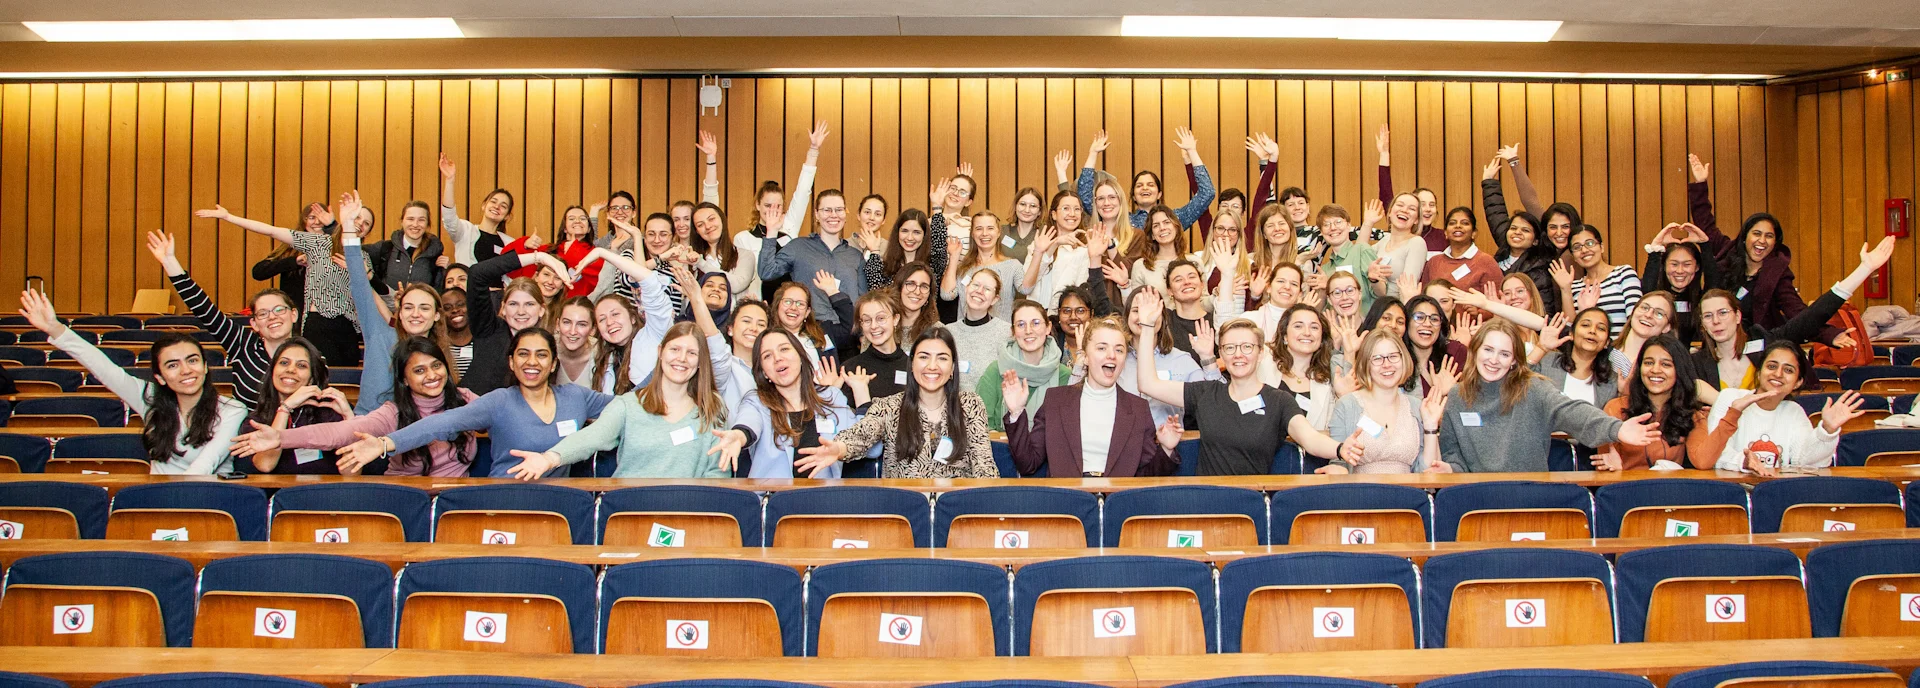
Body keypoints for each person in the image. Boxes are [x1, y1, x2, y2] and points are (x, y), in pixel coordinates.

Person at [505, 285, 734, 479]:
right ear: (660, 352)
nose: (681, 359)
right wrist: (549, 459)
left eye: (691, 353)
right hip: (631, 510)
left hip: (688, 511)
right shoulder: (629, 405)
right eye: (675, 349)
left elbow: (718, 472)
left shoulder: (713, 407)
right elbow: (592, 437)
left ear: (701, 362)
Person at [20, 289, 247, 474]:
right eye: (172, 365)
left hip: (207, 497)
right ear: (160, 377)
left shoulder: (232, 409)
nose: (186, 370)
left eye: (193, 360)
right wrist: (56, 329)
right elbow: (105, 369)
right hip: (158, 499)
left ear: (206, 367)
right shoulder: (150, 400)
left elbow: (204, 465)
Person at [339, 328, 615, 478]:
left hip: (561, 505)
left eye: (541, 355)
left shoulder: (577, 397)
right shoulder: (498, 401)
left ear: (554, 363)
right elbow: (441, 423)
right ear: (511, 362)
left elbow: (628, 404)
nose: (532, 362)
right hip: (503, 502)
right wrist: (385, 443)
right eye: (523, 354)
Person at [1130, 297, 1359, 476]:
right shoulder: (1204, 393)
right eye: (1230, 348)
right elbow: (1148, 384)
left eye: (1247, 347)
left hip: (1253, 500)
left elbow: (1310, 438)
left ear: (1261, 353)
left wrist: (1340, 449)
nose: (1238, 354)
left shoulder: (1279, 400)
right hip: (1209, 500)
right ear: (1222, 354)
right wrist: (1148, 326)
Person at [229, 337, 478, 477]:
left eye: (437, 366)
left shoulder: (467, 400)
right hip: (405, 500)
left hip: (453, 501)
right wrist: (281, 437)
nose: (432, 375)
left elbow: (499, 411)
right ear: (404, 379)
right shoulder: (392, 412)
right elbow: (337, 432)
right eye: (419, 370)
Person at [1437, 319, 1656, 472]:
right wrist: (1451, 469)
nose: (1493, 360)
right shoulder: (1458, 396)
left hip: (1529, 494)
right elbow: (1453, 452)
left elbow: (1572, 412)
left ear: (1514, 360)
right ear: (1475, 350)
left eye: (1504, 354)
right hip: (1478, 495)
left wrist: (1616, 429)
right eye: (1488, 350)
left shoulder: (1533, 388)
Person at [790, 327, 999, 478]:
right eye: (924, 357)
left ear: (952, 367)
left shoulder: (970, 405)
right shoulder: (888, 407)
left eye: (942, 358)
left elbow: (984, 465)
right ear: (912, 364)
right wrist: (839, 447)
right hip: (905, 512)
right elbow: (862, 433)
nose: (932, 366)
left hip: (955, 512)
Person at [1692, 237, 1895, 389]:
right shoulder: (1697, 363)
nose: (1716, 321)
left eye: (1723, 313)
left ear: (1737, 316)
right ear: (1702, 324)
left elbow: (1813, 316)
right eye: (1708, 316)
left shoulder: (1765, 341)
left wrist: (1864, 269)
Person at [1687, 154, 1846, 345]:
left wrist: (1829, 334)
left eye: (1769, 236)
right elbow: (1706, 225)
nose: (1762, 241)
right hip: (1719, 344)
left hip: (1759, 347)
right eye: (1756, 233)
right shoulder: (1728, 251)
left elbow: (1797, 312)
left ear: (1775, 243)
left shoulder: (1778, 273)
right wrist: (1700, 185)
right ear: (1745, 237)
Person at [194, 202, 370, 366]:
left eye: (366, 223)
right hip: (318, 323)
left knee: (346, 380)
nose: (360, 224)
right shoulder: (318, 243)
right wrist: (228, 217)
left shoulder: (365, 258)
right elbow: (270, 230)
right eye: (357, 218)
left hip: (349, 329)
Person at [1006, 316, 1181, 477]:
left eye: (1119, 350)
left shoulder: (1138, 408)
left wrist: (1166, 449)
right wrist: (1016, 412)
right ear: (1086, 357)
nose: (1111, 355)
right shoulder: (1055, 400)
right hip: (1068, 496)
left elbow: (1147, 477)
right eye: (1101, 348)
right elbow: (1028, 464)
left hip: (1117, 497)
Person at [146, 230, 294, 409]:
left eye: (279, 309)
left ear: (293, 315)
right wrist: (170, 262)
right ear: (254, 323)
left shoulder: (310, 352)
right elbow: (203, 308)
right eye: (263, 313)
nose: (272, 317)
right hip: (248, 426)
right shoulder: (242, 344)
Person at [340, 191, 448, 414]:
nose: (415, 314)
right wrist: (349, 227)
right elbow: (359, 282)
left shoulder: (439, 352)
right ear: (399, 311)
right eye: (408, 307)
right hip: (368, 426)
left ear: (437, 314)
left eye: (424, 308)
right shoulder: (379, 335)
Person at [711, 329, 857, 478]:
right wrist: (738, 436)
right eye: (767, 356)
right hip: (772, 492)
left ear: (800, 356)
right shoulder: (757, 402)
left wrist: (841, 449)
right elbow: (748, 424)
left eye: (784, 349)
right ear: (764, 372)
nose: (777, 358)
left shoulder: (831, 396)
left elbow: (863, 441)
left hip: (826, 491)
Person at [1707, 342, 1867, 475]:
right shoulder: (1730, 398)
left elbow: (1805, 462)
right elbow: (1712, 454)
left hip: (1777, 492)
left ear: (1797, 382)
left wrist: (1827, 430)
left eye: (1788, 370)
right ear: (1759, 373)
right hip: (1735, 491)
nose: (1778, 374)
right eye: (1771, 366)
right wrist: (1744, 462)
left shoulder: (1794, 411)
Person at [1591, 335, 1735, 471]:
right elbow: (1603, 465)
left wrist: (1733, 414)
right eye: (1648, 363)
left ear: (1679, 370)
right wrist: (1616, 471)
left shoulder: (1690, 413)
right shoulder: (1616, 408)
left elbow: (1702, 461)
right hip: (1625, 486)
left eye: (1666, 364)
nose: (1655, 370)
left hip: (1670, 487)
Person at [1322, 330, 1454, 474]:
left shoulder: (1417, 406)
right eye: (1377, 358)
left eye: (1393, 357)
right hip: (1362, 487)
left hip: (1408, 487)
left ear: (1404, 360)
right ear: (1366, 364)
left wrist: (1430, 426)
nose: (1386, 364)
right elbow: (1338, 464)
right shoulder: (1347, 405)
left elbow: (1428, 472)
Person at [458, 247, 580, 394]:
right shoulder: (488, 328)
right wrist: (539, 257)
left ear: (541, 310)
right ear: (503, 307)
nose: (521, 312)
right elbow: (477, 274)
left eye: (529, 304)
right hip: (473, 405)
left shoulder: (546, 341)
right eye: (513, 304)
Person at [736, 124, 826, 301]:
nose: (773, 210)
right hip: (759, 302)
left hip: (790, 303)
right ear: (757, 205)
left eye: (778, 206)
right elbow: (744, 276)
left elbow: (803, 192)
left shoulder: (789, 226)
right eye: (768, 205)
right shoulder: (743, 238)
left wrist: (813, 151)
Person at [235, 338, 351, 474]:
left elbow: (351, 473)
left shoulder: (330, 413)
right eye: (284, 363)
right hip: (278, 489)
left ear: (311, 379)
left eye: (301, 365)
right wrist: (285, 409)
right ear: (272, 372)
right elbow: (266, 465)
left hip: (326, 487)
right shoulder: (257, 420)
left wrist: (349, 418)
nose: (290, 369)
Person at [759, 185, 867, 327]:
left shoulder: (855, 256)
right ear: (816, 214)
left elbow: (863, 301)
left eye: (839, 210)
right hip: (810, 329)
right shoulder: (798, 247)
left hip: (847, 331)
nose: (833, 215)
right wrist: (772, 232)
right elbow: (766, 272)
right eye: (827, 210)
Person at [1077, 127, 1216, 231]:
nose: (1145, 188)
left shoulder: (1175, 218)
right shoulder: (1121, 219)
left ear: (1159, 194)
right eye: (1139, 186)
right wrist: (1092, 154)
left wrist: (1192, 152)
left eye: (1150, 185)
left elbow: (1207, 193)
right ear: (1133, 196)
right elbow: (1085, 197)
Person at [1482, 151, 1561, 317]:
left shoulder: (1539, 267)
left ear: (1535, 240)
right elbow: (1496, 214)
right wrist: (1489, 182)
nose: (1517, 233)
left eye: (1525, 230)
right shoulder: (1503, 253)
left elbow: (1543, 308)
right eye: (1513, 228)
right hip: (1501, 321)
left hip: (1530, 325)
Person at [976, 299, 1072, 432]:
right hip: (1000, 445)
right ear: (1013, 331)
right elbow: (979, 426)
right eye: (1021, 324)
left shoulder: (1064, 376)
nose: (1028, 331)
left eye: (1035, 323)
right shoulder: (996, 370)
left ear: (1048, 328)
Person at [1640, 223, 1715, 345]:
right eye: (1674, 264)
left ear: (1696, 267)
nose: (1680, 271)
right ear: (1664, 266)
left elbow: (1714, 287)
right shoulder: (1655, 297)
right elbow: (1647, 292)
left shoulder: (1702, 299)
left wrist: (1705, 245)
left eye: (1687, 264)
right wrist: (1655, 250)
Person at [943, 211, 1026, 321]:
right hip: (967, 330)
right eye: (979, 229)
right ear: (972, 233)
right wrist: (953, 257)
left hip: (1001, 331)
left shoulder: (1012, 266)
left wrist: (1038, 254)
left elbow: (1026, 289)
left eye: (990, 228)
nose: (984, 233)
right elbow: (947, 295)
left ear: (998, 232)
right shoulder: (964, 267)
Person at [840, 289, 910, 410]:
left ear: (895, 319)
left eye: (881, 318)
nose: (873, 326)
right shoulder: (850, 370)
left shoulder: (914, 367)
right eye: (867, 320)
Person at [1564, 224, 1641, 335]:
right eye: (1577, 247)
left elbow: (1635, 319)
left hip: (1623, 344)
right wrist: (1565, 289)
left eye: (1590, 243)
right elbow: (1571, 330)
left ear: (1602, 247)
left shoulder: (1623, 273)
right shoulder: (1574, 287)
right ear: (1574, 257)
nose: (1584, 250)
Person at [1533, 308, 1618, 407]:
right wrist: (1541, 348)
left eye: (1601, 328)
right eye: (1585, 325)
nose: (1592, 331)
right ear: (1571, 333)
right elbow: (1519, 384)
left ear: (1607, 343)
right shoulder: (1547, 361)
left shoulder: (1611, 383)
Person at [944, 267, 1012, 392]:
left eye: (987, 289)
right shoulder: (948, 332)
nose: (979, 291)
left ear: (995, 299)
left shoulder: (1007, 333)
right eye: (975, 285)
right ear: (966, 288)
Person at [437, 152, 512, 266]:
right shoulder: (465, 231)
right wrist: (450, 180)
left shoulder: (510, 243)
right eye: (493, 201)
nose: (497, 207)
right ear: (484, 205)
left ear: (507, 216)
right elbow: (449, 218)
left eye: (503, 206)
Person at [1420, 207, 1500, 293]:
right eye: (1452, 223)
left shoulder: (1486, 262)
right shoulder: (1433, 262)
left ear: (1474, 233)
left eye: (1465, 223)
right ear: (1446, 233)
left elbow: (1495, 298)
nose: (1458, 226)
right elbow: (1424, 297)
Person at [371, 200, 444, 293]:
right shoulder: (385, 248)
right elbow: (356, 253)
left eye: (421, 220)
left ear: (427, 224)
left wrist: (447, 269)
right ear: (402, 222)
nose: (415, 224)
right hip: (386, 303)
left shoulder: (435, 254)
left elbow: (438, 291)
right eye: (410, 219)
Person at [1367, 193, 1428, 300]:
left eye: (1412, 209)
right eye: (1400, 205)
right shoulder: (1384, 240)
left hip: (1398, 306)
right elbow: (1359, 253)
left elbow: (1407, 290)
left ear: (1416, 220)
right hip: (1378, 305)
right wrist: (1368, 223)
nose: (1404, 210)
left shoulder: (1417, 243)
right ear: (1390, 212)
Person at [690, 202, 757, 300]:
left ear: (722, 219)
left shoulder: (744, 255)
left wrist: (702, 264)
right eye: (700, 225)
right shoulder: (694, 261)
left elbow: (737, 285)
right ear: (697, 231)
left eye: (711, 219)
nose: (707, 226)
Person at [552, 297, 600, 388]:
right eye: (567, 322)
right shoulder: (546, 349)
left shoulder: (602, 354)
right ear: (557, 325)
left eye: (581, 324)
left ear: (593, 329)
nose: (573, 331)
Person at [893, 262, 941, 347]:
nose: (917, 292)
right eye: (911, 284)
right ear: (899, 288)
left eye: (924, 286)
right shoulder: (882, 327)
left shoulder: (937, 331)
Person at [999, 187, 1047, 263]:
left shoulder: (1045, 234)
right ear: (1015, 206)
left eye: (1033, 206)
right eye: (1022, 204)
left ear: (1039, 211)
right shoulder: (1001, 231)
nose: (1027, 210)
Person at [441, 288, 474, 379]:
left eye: (460, 304)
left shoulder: (485, 341)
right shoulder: (438, 345)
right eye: (447, 308)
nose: (455, 310)